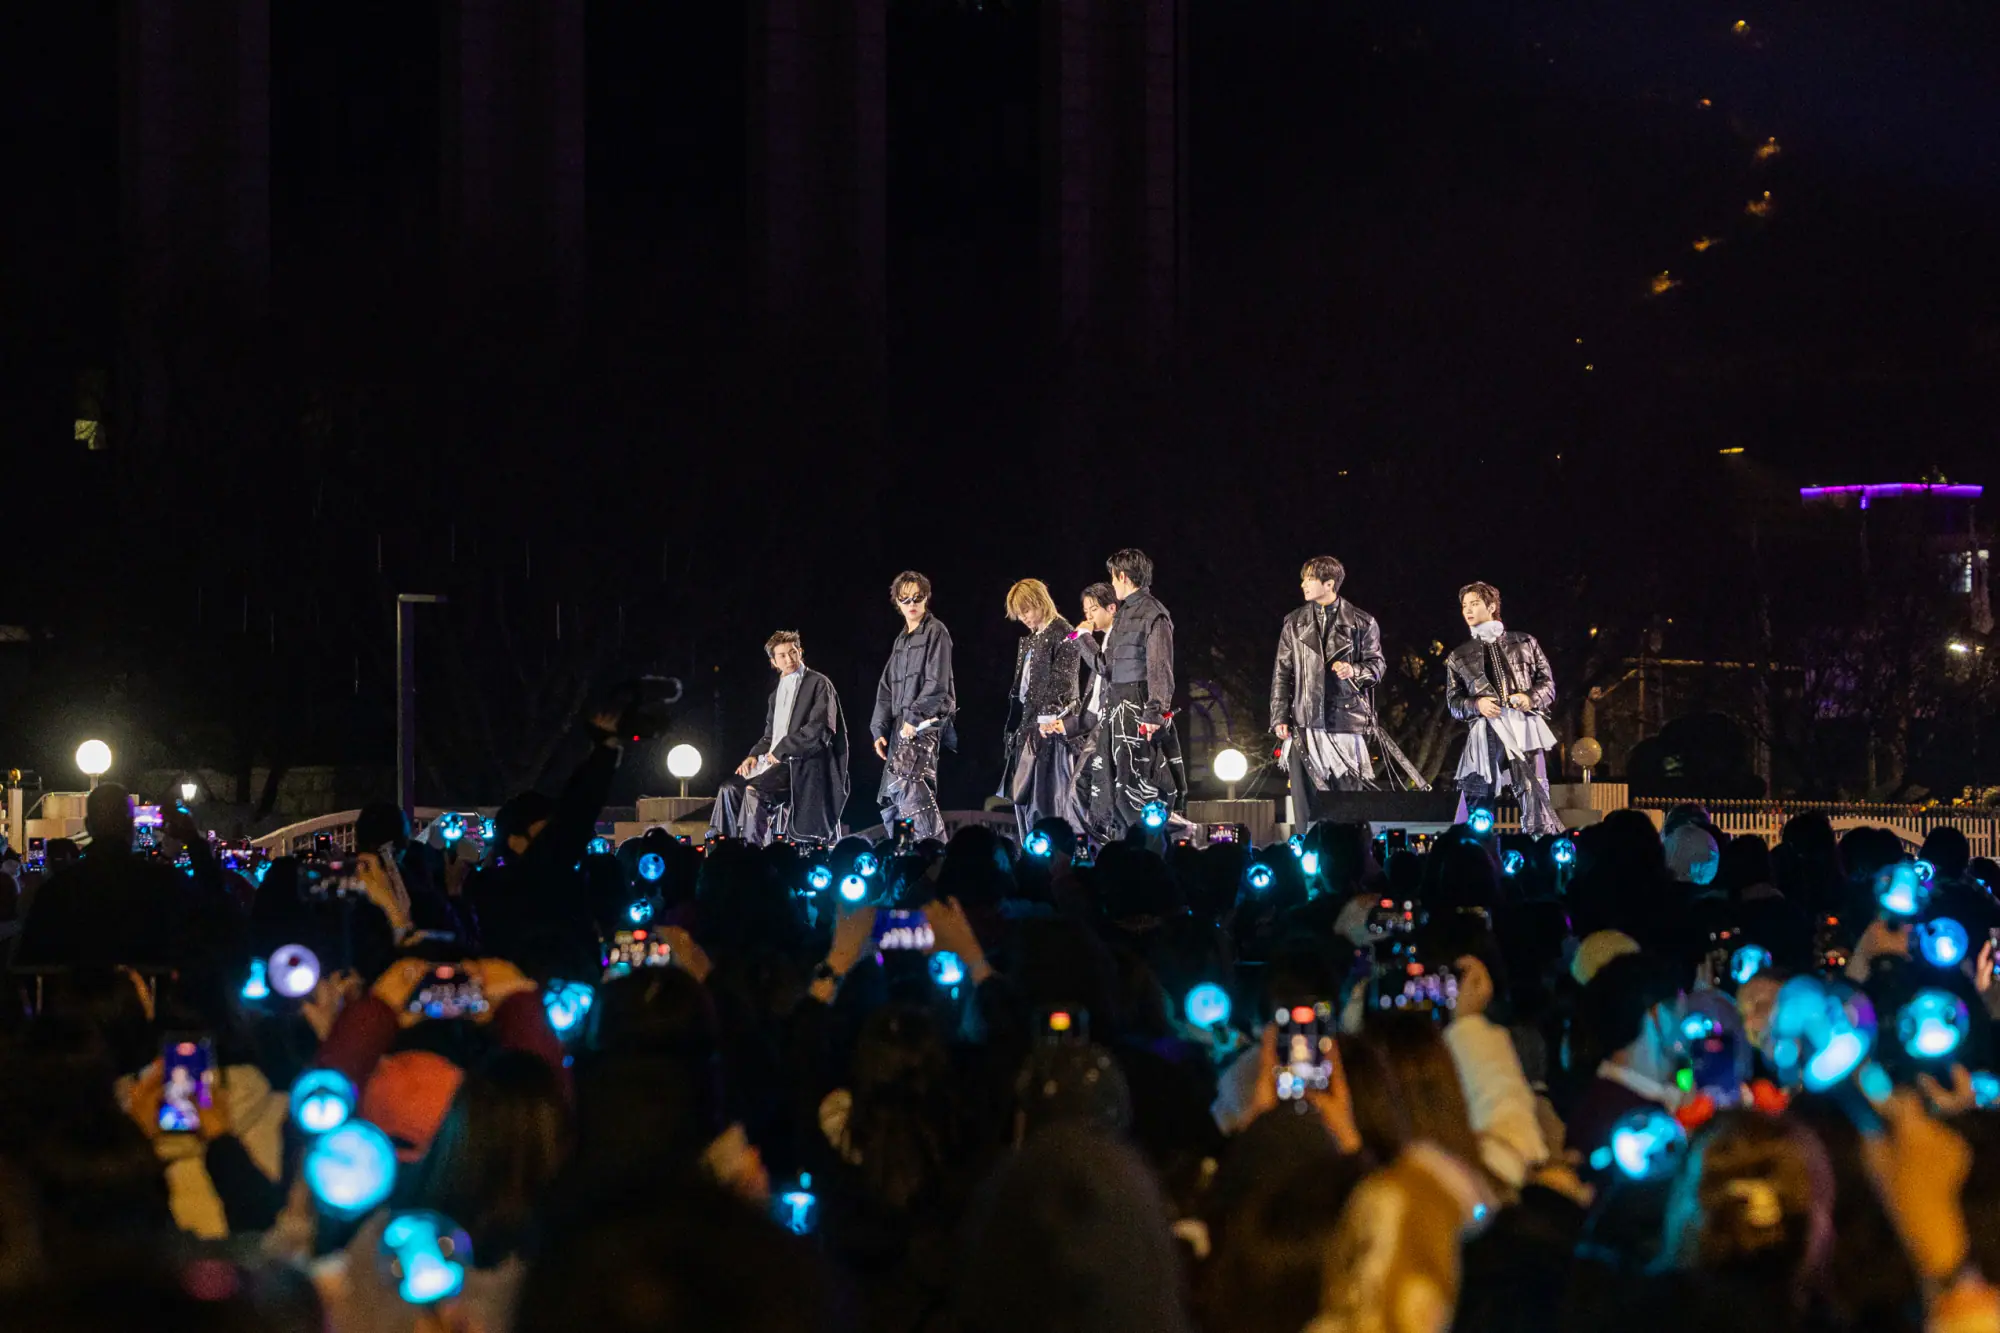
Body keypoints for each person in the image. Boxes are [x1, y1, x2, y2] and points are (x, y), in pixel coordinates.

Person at [1271, 556, 1387, 821]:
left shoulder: (1362, 622)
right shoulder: (1294, 622)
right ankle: (1307, 845)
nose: (1303, 584)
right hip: (1304, 722)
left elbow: (1377, 666)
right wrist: (1279, 716)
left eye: (1310, 579)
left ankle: (1349, 844)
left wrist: (1354, 670)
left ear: (1329, 583)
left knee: (1347, 803)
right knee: (1305, 805)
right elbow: (1282, 672)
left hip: (1345, 722)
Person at [710, 631, 853, 846]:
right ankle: (726, 850)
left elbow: (819, 730)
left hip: (801, 763)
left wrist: (781, 751)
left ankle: (752, 851)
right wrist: (754, 755)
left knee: (755, 792)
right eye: (782, 655)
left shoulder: (819, 683)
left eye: (792, 652)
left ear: (800, 652)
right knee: (728, 789)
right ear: (773, 662)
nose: (789, 659)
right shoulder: (775, 694)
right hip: (775, 762)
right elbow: (771, 735)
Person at [1073, 549, 1176, 837]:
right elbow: (1105, 667)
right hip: (1115, 709)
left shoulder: (1154, 613)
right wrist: (1084, 639)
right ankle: (1117, 846)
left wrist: (1154, 712)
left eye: (1112, 578)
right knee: (1110, 786)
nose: (1112, 584)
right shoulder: (1123, 615)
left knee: (1135, 787)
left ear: (1122, 576)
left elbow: (1160, 666)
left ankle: (1146, 846)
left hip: (1137, 709)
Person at [1445, 582, 1561, 837]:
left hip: (1524, 723)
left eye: (1475, 603)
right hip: (1485, 727)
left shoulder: (1525, 642)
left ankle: (1539, 842)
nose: (1468, 610)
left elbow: (1548, 684)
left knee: (1533, 788)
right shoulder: (1458, 656)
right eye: (1464, 606)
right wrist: (1477, 704)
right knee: (1478, 790)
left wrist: (1529, 698)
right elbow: (1454, 702)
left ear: (1491, 606)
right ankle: (1476, 845)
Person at [871, 570, 956, 841]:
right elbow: (886, 688)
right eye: (905, 599)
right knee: (892, 799)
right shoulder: (901, 640)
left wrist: (915, 717)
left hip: (923, 725)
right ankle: (905, 852)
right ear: (897, 602)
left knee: (912, 791)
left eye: (917, 597)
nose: (912, 604)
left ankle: (935, 853)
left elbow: (937, 683)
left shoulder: (936, 631)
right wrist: (879, 730)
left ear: (926, 598)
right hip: (900, 727)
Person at [1000, 579, 1083, 841]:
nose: (1023, 617)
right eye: (1020, 613)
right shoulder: (1032, 639)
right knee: (1023, 801)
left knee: (1046, 803)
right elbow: (1022, 690)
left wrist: (1045, 720)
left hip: (1050, 733)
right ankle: (1030, 855)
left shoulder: (1064, 633)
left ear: (1040, 602)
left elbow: (1063, 683)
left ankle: (1053, 856)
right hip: (1027, 730)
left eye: (1026, 610)